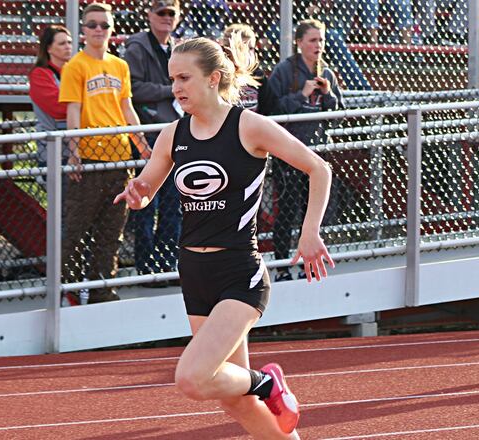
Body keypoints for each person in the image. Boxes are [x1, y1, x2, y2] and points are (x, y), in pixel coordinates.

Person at [113, 34, 334, 438]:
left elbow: (319, 169)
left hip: (238, 272)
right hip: (194, 271)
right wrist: (138, 195)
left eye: (184, 78)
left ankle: (267, 382)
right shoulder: (173, 134)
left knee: (193, 379)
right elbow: (146, 188)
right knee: (235, 399)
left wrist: (309, 232)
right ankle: (265, 395)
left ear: (213, 78)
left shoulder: (249, 127)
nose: (175, 88)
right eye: (172, 79)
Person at [59, 2, 150, 304]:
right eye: (93, 25)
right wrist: (74, 152)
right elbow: (74, 109)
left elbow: (127, 108)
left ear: (112, 30)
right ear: (83, 30)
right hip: (90, 158)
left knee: (111, 232)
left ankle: (103, 292)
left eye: (105, 25)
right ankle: (67, 292)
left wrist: (141, 143)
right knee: (75, 229)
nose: (99, 30)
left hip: (119, 156)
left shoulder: (119, 65)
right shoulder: (76, 65)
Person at [267, 19, 343, 281]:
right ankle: (281, 266)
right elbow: (272, 111)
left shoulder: (328, 72)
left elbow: (337, 115)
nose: (318, 45)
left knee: (309, 213)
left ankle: (305, 263)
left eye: (321, 40)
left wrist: (329, 94)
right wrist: (302, 94)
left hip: (316, 154)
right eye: (312, 40)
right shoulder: (285, 70)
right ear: (299, 43)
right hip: (289, 153)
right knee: (286, 210)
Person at [124, 0, 183, 281]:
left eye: (171, 13)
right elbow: (133, 88)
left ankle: (167, 263)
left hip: (173, 134)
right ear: (149, 15)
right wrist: (168, 90)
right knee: (147, 203)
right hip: (148, 136)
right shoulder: (137, 47)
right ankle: (146, 268)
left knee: (174, 204)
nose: (166, 18)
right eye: (161, 13)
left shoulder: (177, 47)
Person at [29, 25, 73, 171]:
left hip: (77, 148)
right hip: (54, 151)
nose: (67, 47)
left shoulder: (75, 71)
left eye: (69, 42)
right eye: (62, 43)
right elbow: (58, 108)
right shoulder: (40, 74)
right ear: (48, 48)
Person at [220, 23, 267, 112]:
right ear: (229, 48)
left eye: (251, 48)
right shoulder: (218, 75)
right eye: (242, 48)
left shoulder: (258, 75)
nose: (248, 53)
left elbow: (269, 109)